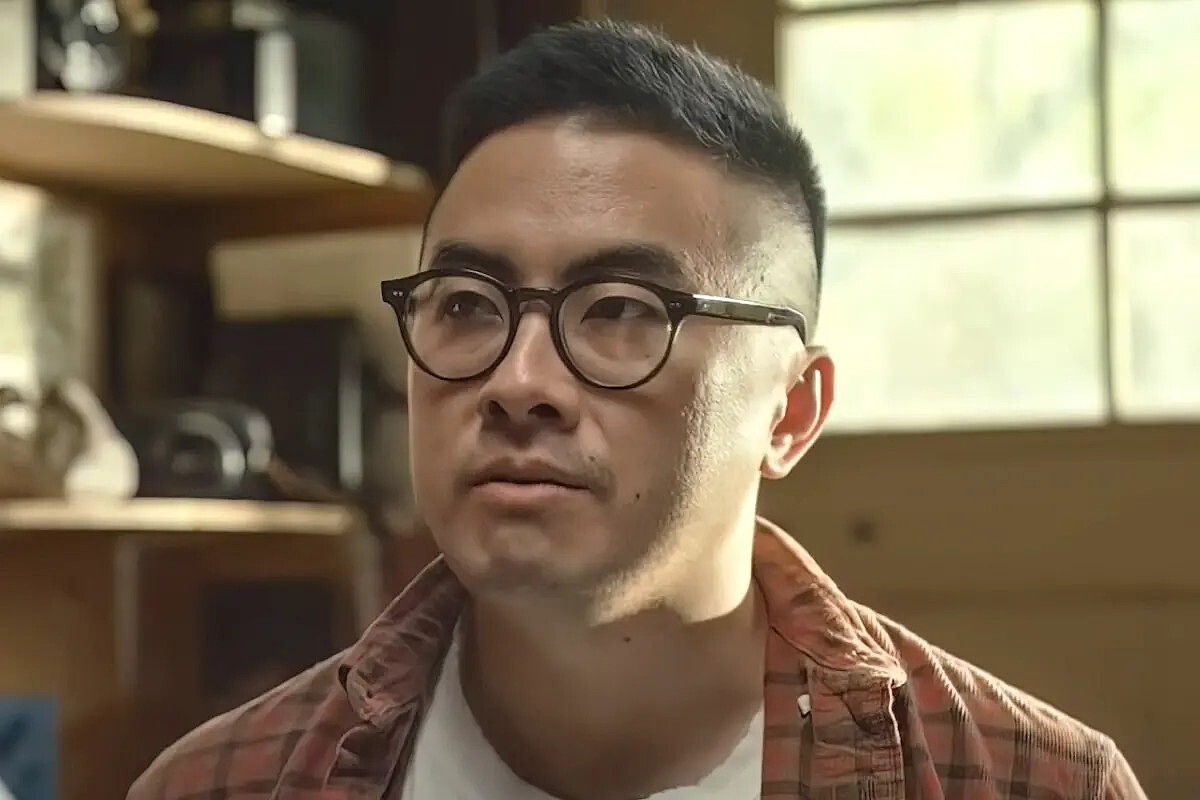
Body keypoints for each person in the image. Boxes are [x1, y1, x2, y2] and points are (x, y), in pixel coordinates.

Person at [128, 20, 1147, 800]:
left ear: (791, 411)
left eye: (620, 310)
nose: (519, 380)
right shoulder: (227, 783)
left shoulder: (1022, 780)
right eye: (468, 305)